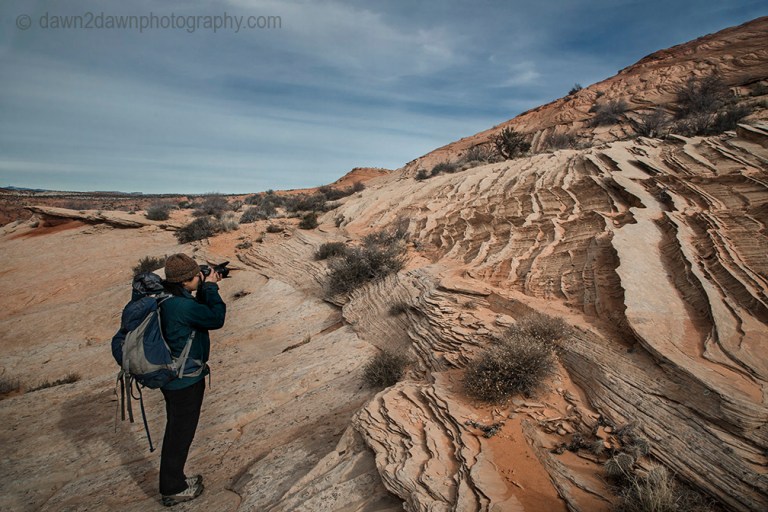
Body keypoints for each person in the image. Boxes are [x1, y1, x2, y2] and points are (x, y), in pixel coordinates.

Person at [158, 253, 226, 506]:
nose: (200, 276)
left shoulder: (169, 297)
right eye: (197, 274)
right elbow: (215, 318)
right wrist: (210, 287)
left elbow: (197, 312)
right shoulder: (182, 306)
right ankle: (173, 488)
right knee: (179, 433)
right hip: (183, 381)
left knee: (178, 429)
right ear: (187, 279)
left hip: (174, 377)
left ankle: (177, 480)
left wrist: (204, 286)